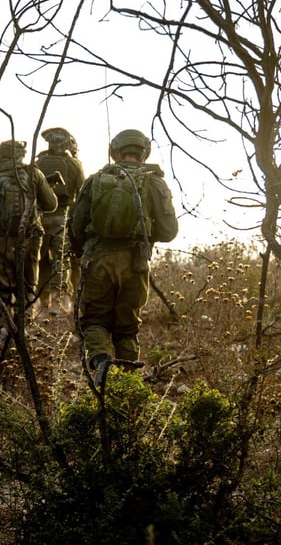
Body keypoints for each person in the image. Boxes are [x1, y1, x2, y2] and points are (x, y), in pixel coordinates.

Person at [68, 129, 178, 386]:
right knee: (127, 327)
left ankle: (102, 362)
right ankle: (127, 385)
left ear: (115, 152)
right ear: (144, 152)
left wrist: (84, 251)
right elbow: (169, 231)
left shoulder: (96, 180)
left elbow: (75, 225)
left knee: (94, 321)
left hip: (98, 261)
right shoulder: (155, 182)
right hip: (135, 263)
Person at [0, 139, 57, 353]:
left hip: (2, 239)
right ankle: (23, 330)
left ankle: (0, 329)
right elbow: (51, 204)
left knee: (0, 288)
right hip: (30, 239)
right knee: (27, 286)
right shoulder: (34, 173)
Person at [34, 127, 86, 313]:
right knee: (64, 258)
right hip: (64, 217)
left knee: (42, 261)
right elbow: (82, 193)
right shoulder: (74, 164)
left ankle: (43, 301)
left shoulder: (38, 162)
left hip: (40, 218)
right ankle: (62, 300)